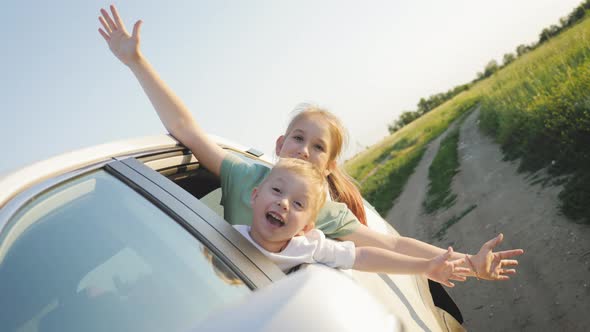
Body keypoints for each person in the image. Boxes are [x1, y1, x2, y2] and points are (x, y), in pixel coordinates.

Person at [97, 5, 523, 282]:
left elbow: (389, 246)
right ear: (280, 143)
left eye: (318, 148)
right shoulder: (247, 175)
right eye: (298, 138)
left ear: (330, 167)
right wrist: (136, 62)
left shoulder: (325, 215)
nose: (304, 149)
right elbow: (187, 131)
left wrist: (468, 263)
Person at [236, 158, 470, 286]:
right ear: (255, 196)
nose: (284, 203)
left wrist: (424, 267)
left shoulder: (307, 246)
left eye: (298, 204)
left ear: (306, 227)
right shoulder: (224, 236)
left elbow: (362, 256)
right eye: (277, 190)